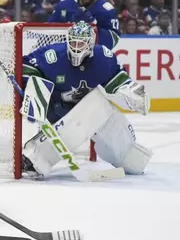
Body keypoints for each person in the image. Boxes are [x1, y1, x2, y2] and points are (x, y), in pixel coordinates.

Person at [21, 21, 152, 178]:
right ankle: (35, 157)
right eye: (73, 42)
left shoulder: (103, 58)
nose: (76, 47)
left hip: (84, 110)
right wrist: (34, 90)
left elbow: (118, 81)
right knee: (94, 106)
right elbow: (27, 65)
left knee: (106, 111)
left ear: (90, 44)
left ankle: (129, 158)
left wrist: (132, 94)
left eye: (81, 43)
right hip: (57, 108)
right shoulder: (54, 56)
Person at [49, 0, 121, 50]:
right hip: (66, 51)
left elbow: (114, 38)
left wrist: (93, 25)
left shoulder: (106, 10)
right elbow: (50, 28)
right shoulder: (64, 4)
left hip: (93, 54)